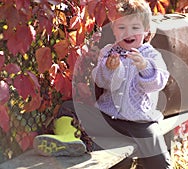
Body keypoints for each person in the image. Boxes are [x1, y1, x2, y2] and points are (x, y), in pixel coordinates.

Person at [33, 0, 171, 168]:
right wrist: (110, 69)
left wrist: (144, 66)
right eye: (121, 28)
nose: (128, 33)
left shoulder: (151, 55)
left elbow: (157, 84)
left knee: (157, 154)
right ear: (114, 30)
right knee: (70, 107)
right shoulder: (108, 52)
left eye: (135, 28)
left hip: (139, 123)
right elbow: (101, 81)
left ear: (146, 31)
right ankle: (68, 140)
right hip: (107, 119)